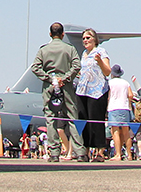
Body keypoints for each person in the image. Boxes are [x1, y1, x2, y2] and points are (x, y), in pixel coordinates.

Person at [31, 23, 84, 162]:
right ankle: (80, 152)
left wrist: (50, 78)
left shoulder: (43, 50)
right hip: (66, 86)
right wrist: (65, 78)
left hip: (49, 87)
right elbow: (77, 66)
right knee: (73, 118)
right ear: (62, 34)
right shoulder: (70, 49)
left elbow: (35, 67)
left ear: (50, 34)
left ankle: (54, 152)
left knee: (51, 118)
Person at [74, 27, 110, 160]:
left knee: (96, 120)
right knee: (83, 120)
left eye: (88, 38)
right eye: (83, 38)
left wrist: (100, 61)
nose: (85, 40)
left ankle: (100, 151)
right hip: (83, 90)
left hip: (97, 91)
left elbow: (107, 71)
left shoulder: (101, 52)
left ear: (95, 39)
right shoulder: (83, 54)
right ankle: (86, 151)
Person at [106, 64, 134, 160]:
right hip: (125, 108)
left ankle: (118, 154)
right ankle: (129, 154)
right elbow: (131, 95)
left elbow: (108, 96)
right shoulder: (126, 83)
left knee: (115, 132)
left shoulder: (110, 83)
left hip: (114, 107)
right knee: (126, 132)